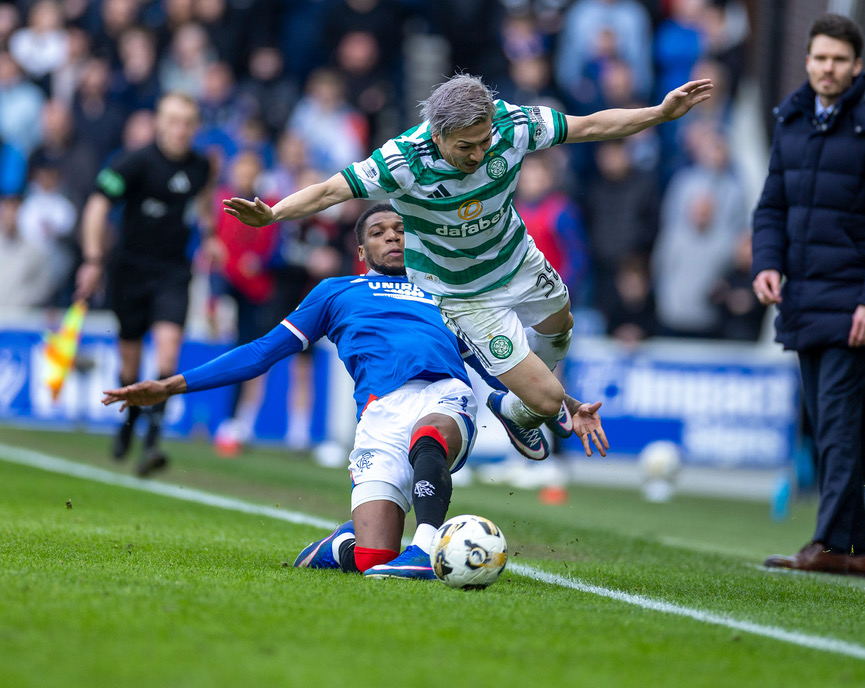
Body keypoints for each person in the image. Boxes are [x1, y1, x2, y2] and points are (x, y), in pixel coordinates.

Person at [224, 73, 712, 461]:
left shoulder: (511, 124)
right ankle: (518, 406)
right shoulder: (402, 160)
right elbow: (332, 189)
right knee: (547, 402)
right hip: (461, 292)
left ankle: (511, 405)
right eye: (466, 147)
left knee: (561, 323)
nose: (479, 155)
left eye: (484, 142)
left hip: (517, 259)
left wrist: (660, 114)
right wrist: (273, 212)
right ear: (437, 135)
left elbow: (588, 126)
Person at [103, 204, 606, 579]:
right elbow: (261, 352)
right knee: (371, 559)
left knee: (430, 437)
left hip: (444, 394)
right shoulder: (335, 293)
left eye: (402, 231)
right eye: (380, 233)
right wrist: (172, 384)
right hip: (378, 418)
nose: (393, 238)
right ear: (361, 251)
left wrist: (559, 401)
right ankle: (343, 546)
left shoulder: (445, 291)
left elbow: (494, 362)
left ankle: (427, 546)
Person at [752, 13, 865, 576]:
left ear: (857, 66)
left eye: (839, 59)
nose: (828, 68)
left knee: (838, 425)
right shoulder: (792, 120)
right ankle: (854, 550)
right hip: (803, 299)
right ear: (808, 60)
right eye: (820, 57)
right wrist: (766, 263)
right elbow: (772, 206)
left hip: (851, 304)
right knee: (825, 426)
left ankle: (827, 543)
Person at [76, 93, 213, 476]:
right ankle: (130, 424)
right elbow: (97, 205)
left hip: (173, 272)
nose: (180, 129)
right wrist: (92, 260)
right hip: (130, 270)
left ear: (195, 126)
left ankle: (153, 441)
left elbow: (202, 206)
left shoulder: (202, 166)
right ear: (159, 122)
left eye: (187, 122)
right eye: (173, 120)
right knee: (129, 366)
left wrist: (212, 236)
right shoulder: (134, 161)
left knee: (168, 358)